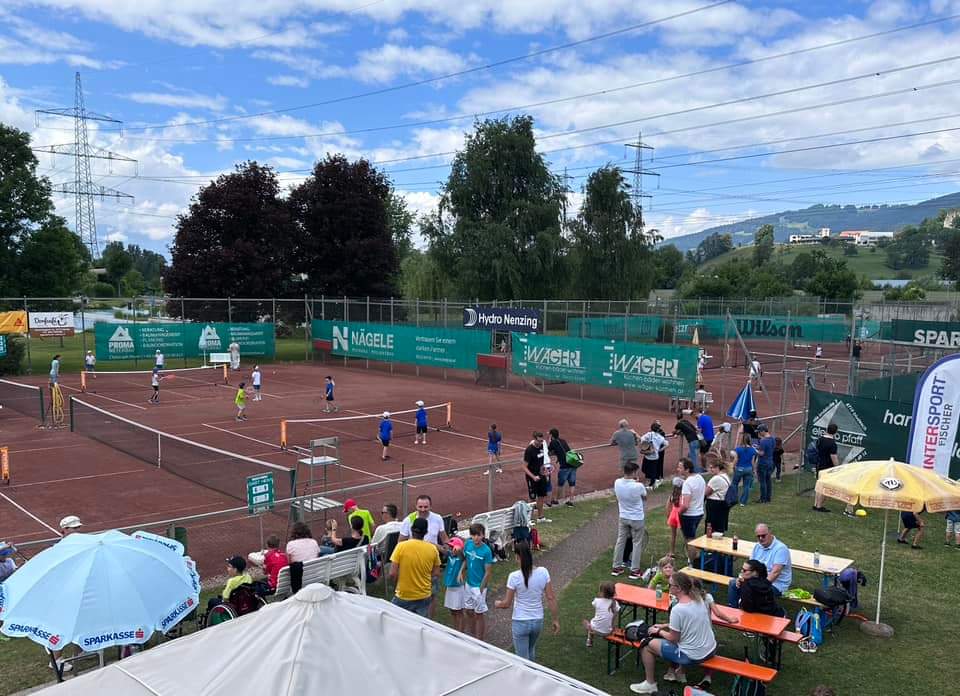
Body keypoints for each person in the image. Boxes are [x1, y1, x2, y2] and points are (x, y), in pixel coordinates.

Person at [629, 571, 737, 694]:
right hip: (710, 649)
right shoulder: (699, 600)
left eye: (670, 585)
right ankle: (677, 672)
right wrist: (664, 626)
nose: (668, 587)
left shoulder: (678, 609)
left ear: (679, 588)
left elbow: (673, 638)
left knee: (646, 644)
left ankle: (650, 683)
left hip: (693, 656)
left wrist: (659, 631)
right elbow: (688, 624)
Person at [494, 541, 560, 661]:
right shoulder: (543, 572)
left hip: (521, 621)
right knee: (530, 650)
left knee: (522, 660)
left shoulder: (514, 577)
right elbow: (551, 598)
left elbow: (506, 604)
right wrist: (555, 620)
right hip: (537, 621)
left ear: (517, 557)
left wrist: (498, 604)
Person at [727, 523, 792, 606]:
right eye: (758, 536)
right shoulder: (757, 546)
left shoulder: (781, 549)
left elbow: (775, 573)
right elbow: (749, 566)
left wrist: (760, 586)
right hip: (757, 580)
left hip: (776, 584)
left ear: (770, 533)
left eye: (763, 536)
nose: (761, 538)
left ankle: (748, 611)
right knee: (733, 583)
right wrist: (741, 577)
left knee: (752, 592)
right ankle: (733, 610)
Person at [389, 517, 440, 617]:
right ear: (426, 532)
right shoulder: (432, 549)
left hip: (403, 595)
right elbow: (436, 573)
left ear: (411, 529)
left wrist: (396, 585)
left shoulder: (401, 546)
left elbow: (392, 573)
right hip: (424, 595)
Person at [611, 461, 648, 580]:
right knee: (637, 543)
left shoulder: (617, 482)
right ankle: (635, 570)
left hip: (623, 516)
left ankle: (616, 567)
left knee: (620, 541)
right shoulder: (638, 486)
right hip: (636, 518)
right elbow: (645, 497)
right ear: (634, 472)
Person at [462, 522, 494, 640]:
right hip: (468, 584)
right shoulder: (468, 544)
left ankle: (480, 639)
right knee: (468, 610)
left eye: (478, 535)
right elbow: (466, 560)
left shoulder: (486, 551)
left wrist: (480, 589)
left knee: (479, 613)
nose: (476, 537)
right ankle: (473, 634)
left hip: (479, 586)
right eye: (473, 535)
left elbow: (488, 572)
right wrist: (461, 571)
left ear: (483, 535)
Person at [677, 458, 706, 567]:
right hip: (699, 512)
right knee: (691, 537)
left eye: (680, 467)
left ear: (687, 469)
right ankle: (694, 559)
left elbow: (685, 505)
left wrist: (678, 513)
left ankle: (692, 563)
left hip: (688, 515)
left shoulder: (687, 483)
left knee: (689, 540)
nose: (678, 469)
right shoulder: (700, 478)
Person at [523, 431, 550, 523]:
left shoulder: (542, 447)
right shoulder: (529, 450)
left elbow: (542, 462)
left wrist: (545, 472)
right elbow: (524, 467)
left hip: (541, 475)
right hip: (531, 477)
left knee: (541, 496)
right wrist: (533, 477)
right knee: (532, 498)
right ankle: (529, 519)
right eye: (539, 441)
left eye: (542, 441)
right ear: (534, 439)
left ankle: (540, 517)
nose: (540, 442)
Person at [813, 423, 840, 512]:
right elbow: (833, 457)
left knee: (819, 485)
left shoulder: (820, 439)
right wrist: (838, 467)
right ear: (835, 432)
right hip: (828, 467)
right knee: (824, 487)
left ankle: (816, 504)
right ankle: (819, 506)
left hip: (819, 464)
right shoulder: (832, 443)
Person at [583, 582, 618, 647]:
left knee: (589, 622)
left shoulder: (597, 601)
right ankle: (592, 629)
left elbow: (593, 604)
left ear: (602, 593)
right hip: (608, 632)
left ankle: (589, 640)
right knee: (610, 621)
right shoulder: (615, 603)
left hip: (595, 630)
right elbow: (616, 614)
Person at [443, 537, 466, 631]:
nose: (451, 549)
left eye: (452, 547)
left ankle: (460, 632)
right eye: (450, 547)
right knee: (452, 611)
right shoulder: (450, 555)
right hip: (450, 587)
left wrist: (459, 550)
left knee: (459, 611)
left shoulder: (460, 558)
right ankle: (455, 630)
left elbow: (464, 558)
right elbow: (442, 549)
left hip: (458, 589)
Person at [704, 455, 731, 534]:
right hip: (723, 504)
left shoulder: (716, 479)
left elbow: (706, 492)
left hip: (714, 505)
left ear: (718, 467)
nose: (710, 470)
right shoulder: (726, 476)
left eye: (712, 468)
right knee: (720, 526)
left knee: (711, 527)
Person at [549, 428, 576, 506]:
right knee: (572, 483)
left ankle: (556, 500)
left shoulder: (553, 442)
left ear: (551, 435)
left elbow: (549, 452)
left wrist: (549, 442)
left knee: (560, 483)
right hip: (572, 464)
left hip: (564, 466)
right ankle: (571, 500)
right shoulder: (563, 441)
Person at [730, 433, 756, 506]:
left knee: (734, 484)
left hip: (739, 469)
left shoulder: (738, 449)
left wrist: (732, 466)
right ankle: (743, 502)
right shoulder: (752, 450)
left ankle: (734, 499)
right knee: (746, 486)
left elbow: (736, 459)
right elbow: (752, 462)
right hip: (748, 469)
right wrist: (754, 470)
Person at [640, 423, 668, 489]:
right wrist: (660, 450)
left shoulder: (649, 434)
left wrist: (646, 444)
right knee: (653, 471)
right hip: (655, 457)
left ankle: (651, 484)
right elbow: (667, 444)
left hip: (648, 456)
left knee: (644, 469)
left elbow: (642, 439)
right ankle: (652, 483)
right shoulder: (660, 437)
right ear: (658, 429)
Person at [755, 425, 776, 504]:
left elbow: (761, 453)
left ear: (763, 431)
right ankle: (768, 498)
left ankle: (763, 499)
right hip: (770, 462)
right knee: (768, 480)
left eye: (759, 431)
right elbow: (770, 449)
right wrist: (759, 447)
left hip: (763, 463)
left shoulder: (763, 441)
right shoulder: (773, 439)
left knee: (762, 481)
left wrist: (755, 450)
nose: (759, 433)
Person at [665, 477, 683, 558]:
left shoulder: (672, 495)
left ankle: (671, 551)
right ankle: (688, 551)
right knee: (686, 535)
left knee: (673, 534)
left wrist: (668, 515)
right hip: (680, 514)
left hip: (673, 514)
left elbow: (668, 506)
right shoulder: (682, 494)